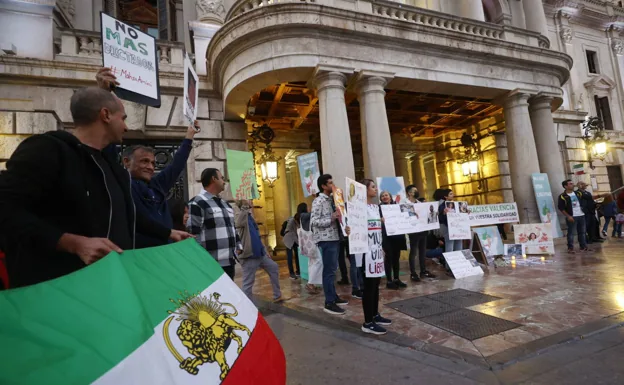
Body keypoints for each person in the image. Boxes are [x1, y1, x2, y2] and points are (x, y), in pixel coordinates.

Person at [0, 87, 190, 288]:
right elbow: (6, 208)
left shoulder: (113, 169)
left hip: (111, 285)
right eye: (123, 118)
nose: (126, 127)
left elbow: (130, 216)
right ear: (105, 115)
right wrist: (73, 243)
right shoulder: (47, 150)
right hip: (60, 290)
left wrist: (168, 233)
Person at [97, 66, 199, 248]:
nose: (151, 167)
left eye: (152, 162)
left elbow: (176, 165)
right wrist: (104, 93)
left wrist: (189, 135)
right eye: (144, 161)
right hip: (137, 257)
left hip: (164, 256)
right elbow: (108, 143)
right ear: (126, 161)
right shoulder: (120, 183)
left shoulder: (157, 185)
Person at [188, 168, 243, 279]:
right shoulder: (197, 202)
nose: (224, 181)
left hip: (229, 262)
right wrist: (201, 260)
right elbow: (193, 234)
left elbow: (232, 227)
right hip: (211, 264)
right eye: (222, 178)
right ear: (213, 179)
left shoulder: (225, 204)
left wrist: (238, 245)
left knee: (228, 295)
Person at [356, 179, 392, 335]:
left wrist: (381, 247)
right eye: (372, 187)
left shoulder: (374, 207)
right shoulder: (359, 208)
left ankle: (375, 314)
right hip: (366, 253)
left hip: (376, 250)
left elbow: (376, 230)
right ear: (364, 190)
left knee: (376, 284)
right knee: (369, 287)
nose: (376, 189)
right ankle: (368, 322)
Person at [311, 174, 349, 315]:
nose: (333, 185)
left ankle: (334, 296)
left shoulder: (333, 199)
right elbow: (314, 220)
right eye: (330, 183)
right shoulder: (318, 201)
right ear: (323, 186)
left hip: (335, 237)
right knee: (329, 271)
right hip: (326, 239)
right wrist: (331, 218)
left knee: (333, 269)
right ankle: (329, 302)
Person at [235, 200, 282, 302]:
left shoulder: (250, 218)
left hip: (260, 254)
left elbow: (257, 236)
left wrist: (264, 249)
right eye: (247, 203)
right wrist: (245, 205)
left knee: (273, 267)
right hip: (249, 256)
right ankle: (248, 306)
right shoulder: (241, 217)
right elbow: (238, 223)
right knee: (248, 282)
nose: (250, 203)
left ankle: (277, 295)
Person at [405, 185, 436, 282]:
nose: (417, 192)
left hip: (423, 229)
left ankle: (423, 271)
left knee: (422, 250)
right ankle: (413, 273)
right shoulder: (405, 203)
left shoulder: (420, 203)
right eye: (414, 191)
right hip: (413, 230)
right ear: (409, 193)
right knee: (414, 251)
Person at [379, 190, 407, 289]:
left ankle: (396, 278)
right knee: (389, 257)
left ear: (390, 197)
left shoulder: (397, 206)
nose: (384, 197)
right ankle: (389, 280)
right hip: (386, 236)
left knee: (396, 257)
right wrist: (380, 220)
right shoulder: (379, 208)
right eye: (382, 196)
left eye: (386, 195)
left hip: (397, 235)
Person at [295, 202, 323, 294]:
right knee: (318, 261)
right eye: (308, 207)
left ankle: (312, 284)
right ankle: (310, 283)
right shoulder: (304, 215)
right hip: (311, 244)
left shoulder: (301, 216)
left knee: (312, 263)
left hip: (307, 245)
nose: (309, 208)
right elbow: (314, 214)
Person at [558, 179, 589, 253]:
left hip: (581, 215)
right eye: (570, 184)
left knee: (582, 232)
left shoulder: (578, 193)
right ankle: (570, 248)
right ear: (565, 186)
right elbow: (561, 208)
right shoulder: (563, 196)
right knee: (571, 233)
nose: (572, 184)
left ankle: (583, 246)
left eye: (572, 183)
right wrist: (568, 216)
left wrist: (581, 188)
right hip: (572, 216)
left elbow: (588, 197)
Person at [282, 215, 301, 279]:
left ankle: (298, 271)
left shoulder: (297, 221)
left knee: (297, 255)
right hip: (288, 240)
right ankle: (291, 273)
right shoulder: (291, 222)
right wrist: (300, 243)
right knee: (290, 257)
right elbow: (293, 234)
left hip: (294, 240)